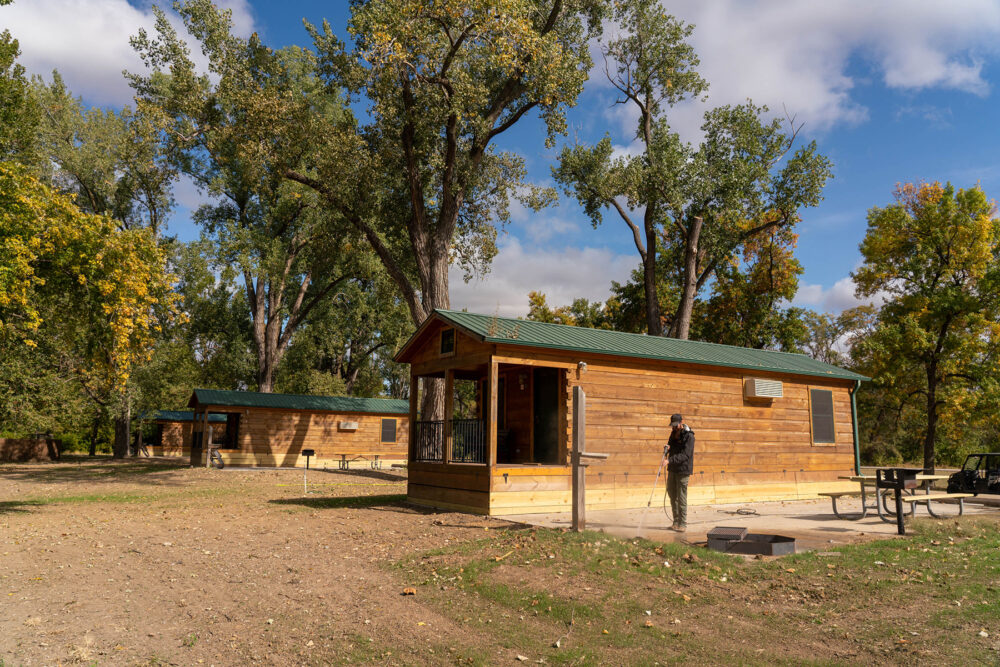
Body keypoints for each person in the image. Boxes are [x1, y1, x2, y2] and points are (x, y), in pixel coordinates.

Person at [666, 413, 695, 532]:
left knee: (681, 496)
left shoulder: (689, 436)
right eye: (672, 425)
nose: (674, 427)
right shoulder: (673, 433)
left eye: (676, 425)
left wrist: (669, 460)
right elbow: (671, 445)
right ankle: (676, 521)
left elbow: (685, 455)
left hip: (683, 470)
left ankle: (683, 523)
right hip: (673, 469)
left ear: (681, 422)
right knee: (672, 493)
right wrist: (667, 448)